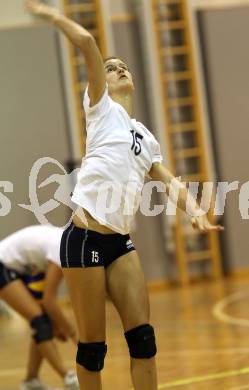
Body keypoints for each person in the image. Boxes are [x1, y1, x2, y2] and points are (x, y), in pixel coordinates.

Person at [25, 2, 224, 389]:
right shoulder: (100, 109)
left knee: (143, 340)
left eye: (123, 66)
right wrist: (50, 15)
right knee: (93, 349)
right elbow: (84, 40)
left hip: (120, 242)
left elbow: (168, 180)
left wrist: (195, 210)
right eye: (111, 67)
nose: (118, 69)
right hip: (84, 238)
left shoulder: (144, 135)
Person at [0, 225, 79, 390]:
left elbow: (45, 301)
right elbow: (49, 301)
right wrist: (74, 335)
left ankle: (31, 380)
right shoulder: (62, 249)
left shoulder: (64, 244)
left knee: (43, 323)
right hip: (3, 265)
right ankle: (68, 378)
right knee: (40, 322)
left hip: (19, 269)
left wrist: (57, 326)